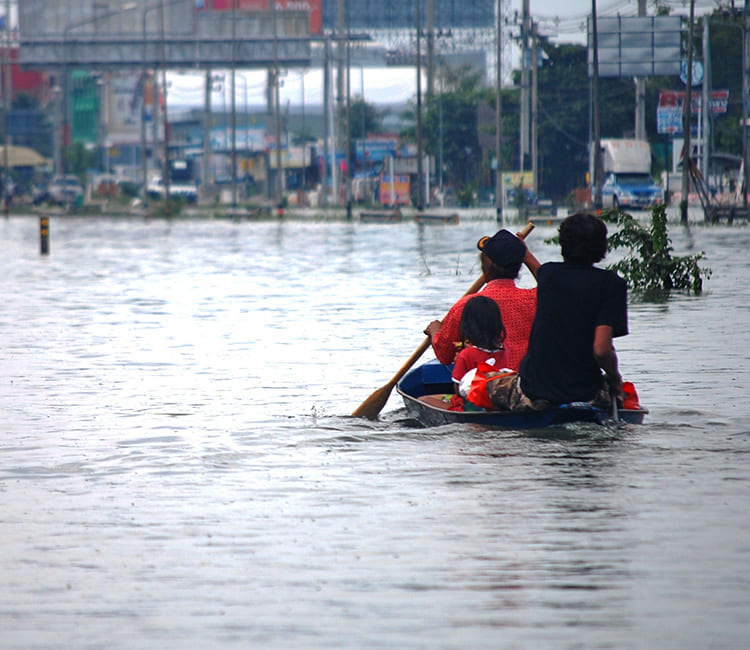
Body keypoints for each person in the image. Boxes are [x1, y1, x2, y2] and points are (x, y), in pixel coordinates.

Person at [488, 212, 627, 411]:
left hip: (534, 391)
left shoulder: (549, 276)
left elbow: (601, 349)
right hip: (586, 392)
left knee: (484, 382)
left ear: (563, 244)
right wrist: (615, 379)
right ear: (602, 246)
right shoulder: (612, 285)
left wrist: (524, 252)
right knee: (616, 394)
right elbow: (603, 350)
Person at [424, 229, 540, 371]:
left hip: (485, 383)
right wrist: (527, 256)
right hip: (528, 381)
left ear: (486, 266)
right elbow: (552, 287)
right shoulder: (536, 299)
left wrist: (435, 331)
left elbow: (444, 354)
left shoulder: (466, 306)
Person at [448, 295, 509, 410]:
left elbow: (458, 390)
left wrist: (458, 363)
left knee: (425, 399)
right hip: (500, 405)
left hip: (473, 407)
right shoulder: (506, 350)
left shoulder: (466, 355)